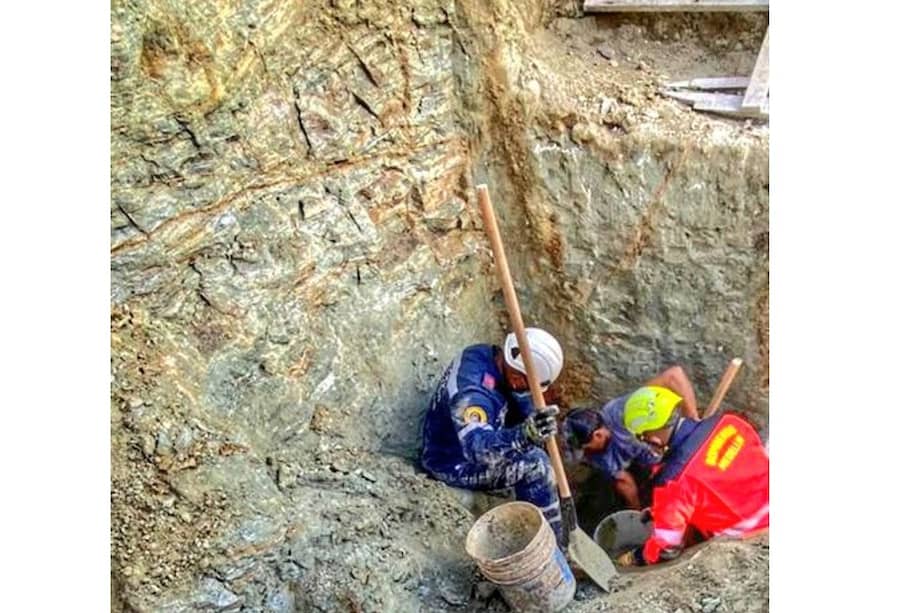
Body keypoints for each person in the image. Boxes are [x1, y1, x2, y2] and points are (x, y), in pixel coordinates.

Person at [420, 328, 566, 543]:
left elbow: (525, 403)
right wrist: (524, 435)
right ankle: (551, 545)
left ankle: (550, 513)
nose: (531, 390)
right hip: (454, 461)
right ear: (516, 378)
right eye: (529, 385)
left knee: (531, 411)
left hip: (484, 434)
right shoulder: (472, 396)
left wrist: (536, 425)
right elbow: (477, 450)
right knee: (537, 465)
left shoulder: (488, 356)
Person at [614, 386, 769, 567]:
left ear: (653, 439)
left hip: (752, 533)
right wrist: (660, 511)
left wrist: (637, 557)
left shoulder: (673, 481)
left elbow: (667, 547)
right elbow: (715, 478)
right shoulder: (730, 422)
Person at [561, 366, 701, 509]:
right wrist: (637, 511)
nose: (586, 454)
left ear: (598, 435)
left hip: (677, 442)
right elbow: (624, 482)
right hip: (658, 464)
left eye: (586, 447)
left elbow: (673, 375)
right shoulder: (601, 459)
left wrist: (694, 419)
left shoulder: (623, 411)